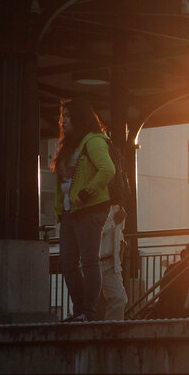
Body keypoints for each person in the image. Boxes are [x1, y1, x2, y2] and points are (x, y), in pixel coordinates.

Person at [52, 99, 116, 322]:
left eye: (67, 115)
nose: (63, 120)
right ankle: (80, 310)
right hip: (70, 212)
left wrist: (86, 193)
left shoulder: (94, 141)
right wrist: (60, 208)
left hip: (90, 208)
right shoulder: (68, 145)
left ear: (79, 118)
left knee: (89, 260)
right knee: (68, 262)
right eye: (62, 116)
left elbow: (108, 169)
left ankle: (89, 312)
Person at [149, 240, 189, 319]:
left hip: (187, 315)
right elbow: (166, 293)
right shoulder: (173, 269)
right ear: (187, 253)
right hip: (170, 314)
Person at [97, 205, 129, 320]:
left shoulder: (118, 208)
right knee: (89, 301)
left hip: (111, 262)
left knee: (119, 298)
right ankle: (111, 330)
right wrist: (114, 222)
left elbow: (119, 232)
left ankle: (112, 331)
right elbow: (92, 232)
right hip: (95, 262)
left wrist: (121, 246)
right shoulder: (97, 206)